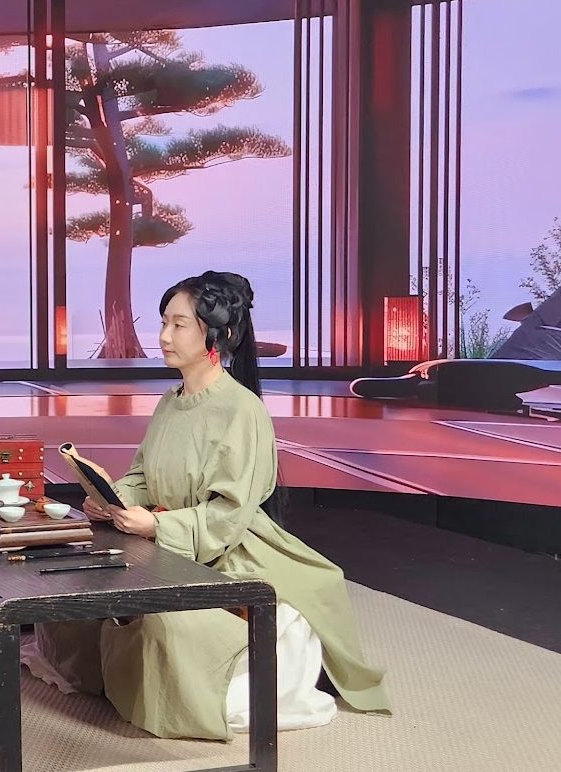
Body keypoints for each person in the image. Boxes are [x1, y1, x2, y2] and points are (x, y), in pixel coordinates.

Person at [23, 271, 390, 740]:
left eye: (179, 325)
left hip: (228, 550)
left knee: (160, 626)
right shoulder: (170, 401)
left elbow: (228, 515)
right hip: (163, 534)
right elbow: (143, 476)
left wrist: (157, 528)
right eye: (164, 322)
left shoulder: (242, 410)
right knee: (72, 591)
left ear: (219, 334)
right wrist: (111, 499)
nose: (163, 336)